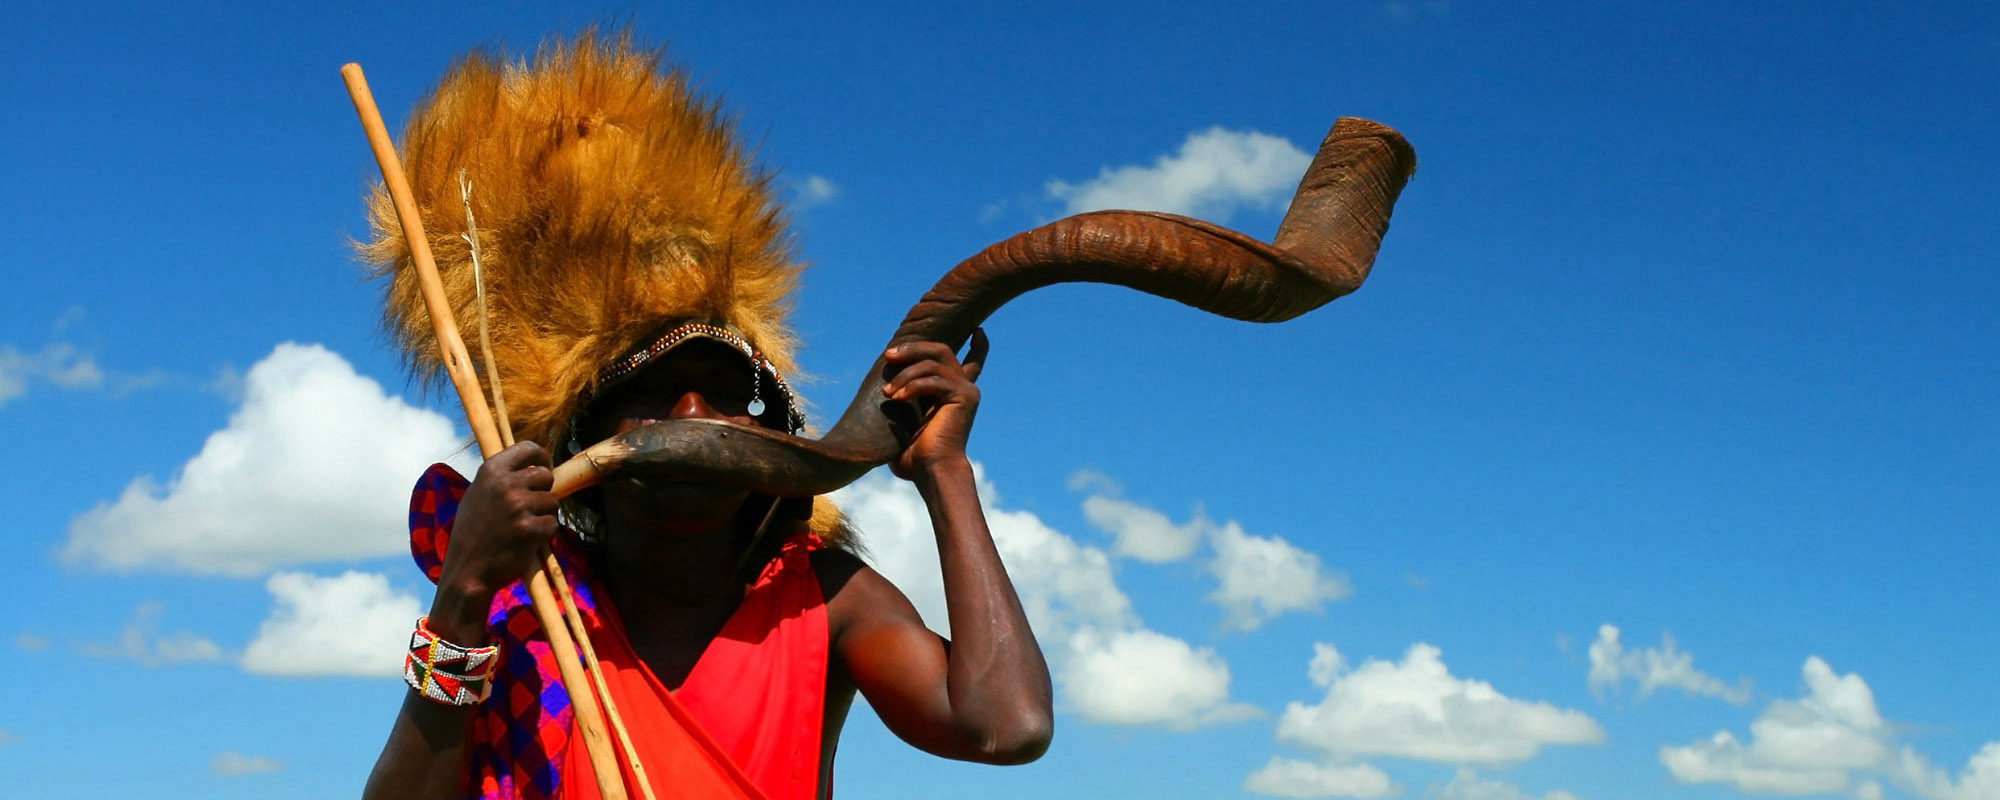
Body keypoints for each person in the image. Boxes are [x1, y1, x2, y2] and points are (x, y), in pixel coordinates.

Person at [355, 32, 1051, 800]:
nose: (691, 417)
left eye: (727, 394)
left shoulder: (823, 598)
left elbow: (1005, 726)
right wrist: (463, 598)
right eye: (654, 393)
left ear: (774, 439)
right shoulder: (529, 606)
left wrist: (944, 473)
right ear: (584, 440)